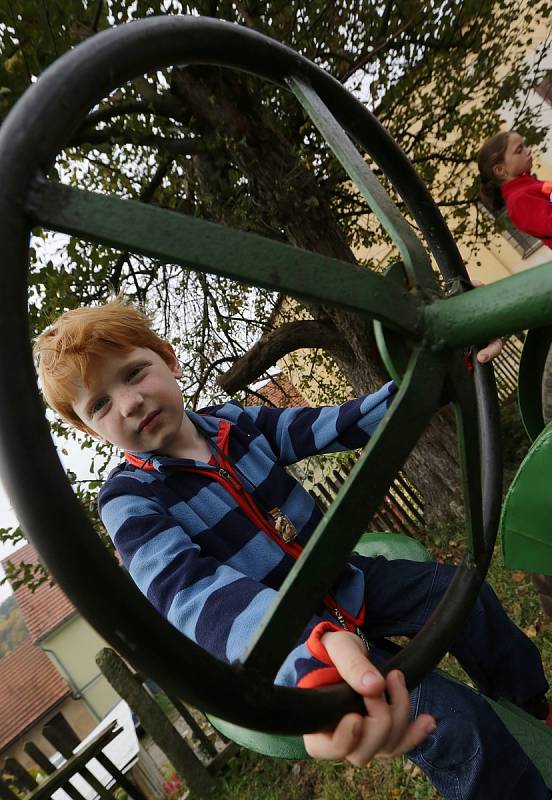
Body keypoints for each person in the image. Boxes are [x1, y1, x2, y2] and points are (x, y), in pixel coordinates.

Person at [34, 298, 550, 798]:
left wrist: (436, 379)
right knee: (455, 726)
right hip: (289, 639)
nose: (128, 403)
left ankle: (531, 704)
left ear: (168, 359)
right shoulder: (128, 500)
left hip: (344, 580)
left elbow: (336, 424)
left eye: (133, 373)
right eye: (99, 404)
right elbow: (192, 596)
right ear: (88, 428)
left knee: (463, 595)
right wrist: (306, 650)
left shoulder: (235, 423)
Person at [477, 129, 552, 248]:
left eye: (525, 146)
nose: (528, 151)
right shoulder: (518, 200)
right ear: (500, 170)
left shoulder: (528, 185)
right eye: (519, 150)